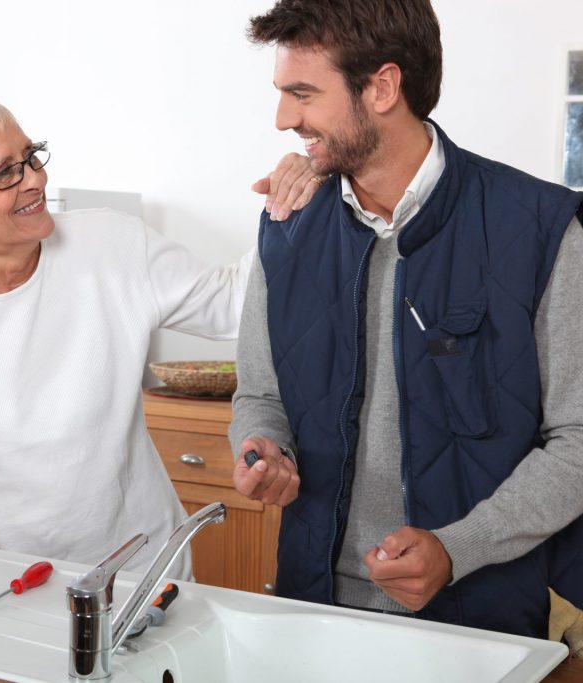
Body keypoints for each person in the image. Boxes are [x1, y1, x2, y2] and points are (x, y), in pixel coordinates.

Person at [0, 98, 318, 577]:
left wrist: (291, 211)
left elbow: (236, 304)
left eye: (31, 156)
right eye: (4, 173)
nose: (36, 178)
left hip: (138, 566)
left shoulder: (112, 244)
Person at [229, 0, 583, 638]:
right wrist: (262, 450)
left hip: (480, 623)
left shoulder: (542, 229)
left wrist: (459, 547)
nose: (283, 119)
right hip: (310, 608)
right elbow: (259, 393)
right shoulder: (286, 225)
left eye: (303, 93)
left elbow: (578, 443)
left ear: (384, 87)